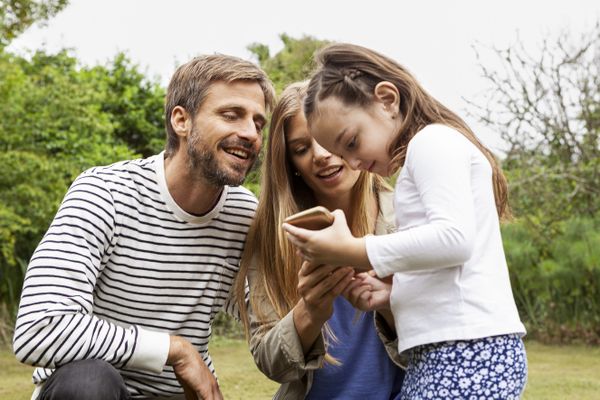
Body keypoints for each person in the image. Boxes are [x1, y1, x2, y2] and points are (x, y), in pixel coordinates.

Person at [13, 54, 275, 400]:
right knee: (89, 381)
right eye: (231, 115)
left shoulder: (244, 214)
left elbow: (266, 318)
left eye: (258, 123)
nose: (249, 134)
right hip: (93, 391)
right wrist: (175, 349)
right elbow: (40, 327)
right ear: (181, 120)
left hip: (179, 395)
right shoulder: (104, 193)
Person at [283, 43, 528, 399]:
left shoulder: (431, 142)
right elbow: (447, 270)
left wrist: (354, 251)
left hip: (467, 351)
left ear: (387, 99)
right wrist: (393, 295)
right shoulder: (424, 154)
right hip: (441, 352)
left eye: (351, 142)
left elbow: (454, 239)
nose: (352, 162)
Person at [234, 81, 405, 400]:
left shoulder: (408, 219)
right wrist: (309, 311)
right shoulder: (277, 238)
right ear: (291, 165)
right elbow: (271, 363)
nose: (321, 156)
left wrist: (390, 304)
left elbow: (439, 344)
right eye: (301, 148)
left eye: (330, 139)